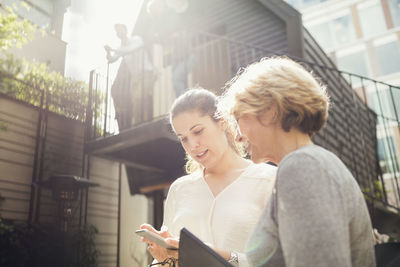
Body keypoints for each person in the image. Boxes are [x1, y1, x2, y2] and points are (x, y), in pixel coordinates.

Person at [220, 56, 376, 267]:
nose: (237, 136)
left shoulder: (303, 167)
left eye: (238, 118)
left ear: (269, 111)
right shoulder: (311, 164)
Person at [140, 88, 276, 266]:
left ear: (222, 122)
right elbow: (170, 262)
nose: (192, 145)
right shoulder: (179, 189)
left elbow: (283, 260)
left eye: (197, 131)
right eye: (183, 138)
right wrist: (163, 260)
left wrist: (226, 256)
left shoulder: (269, 180)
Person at [105, 24, 154, 129]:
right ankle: (140, 123)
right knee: (135, 101)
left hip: (146, 73)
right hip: (135, 77)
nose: (119, 33)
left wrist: (113, 49)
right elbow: (111, 60)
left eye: (120, 30)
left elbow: (130, 50)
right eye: (117, 31)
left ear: (126, 30)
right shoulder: (120, 48)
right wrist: (109, 53)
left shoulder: (136, 39)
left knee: (139, 98)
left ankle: (138, 125)